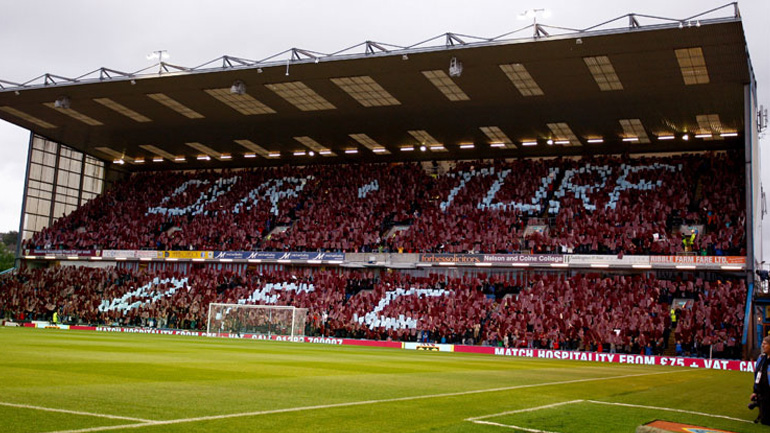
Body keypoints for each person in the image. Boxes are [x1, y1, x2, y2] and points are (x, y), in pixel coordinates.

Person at [751, 336, 770, 424]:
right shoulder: (761, 358)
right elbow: (757, 375)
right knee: (765, 421)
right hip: (763, 393)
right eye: (762, 343)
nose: (762, 346)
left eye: (765, 344)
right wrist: (755, 391)